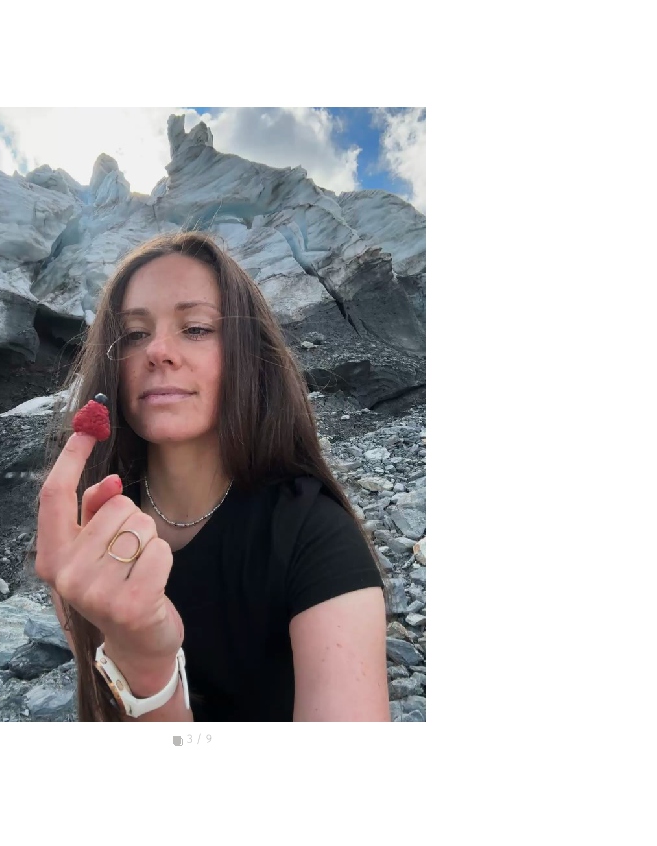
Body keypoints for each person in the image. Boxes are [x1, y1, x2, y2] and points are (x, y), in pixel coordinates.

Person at [32, 231, 391, 722]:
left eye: (196, 328)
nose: (158, 350)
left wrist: (147, 669)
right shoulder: (91, 533)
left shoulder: (315, 535)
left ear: (249, 355)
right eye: (134, 334)